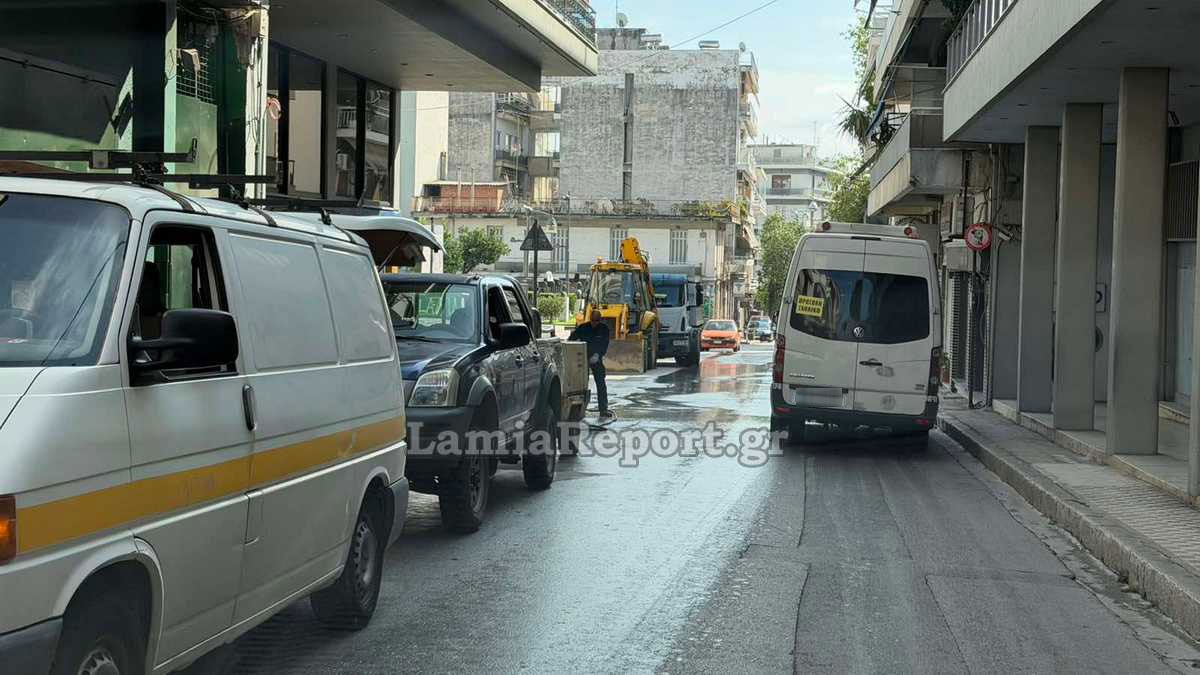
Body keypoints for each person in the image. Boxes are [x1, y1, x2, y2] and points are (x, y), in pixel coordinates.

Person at [570, 310, 611, 420]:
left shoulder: (604, 329)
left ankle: (603, 409)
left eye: (596, 321)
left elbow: (605, 343)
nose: (594, 323)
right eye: (592, 320)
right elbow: (572, 338)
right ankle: (579, 410)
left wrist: (598, 354)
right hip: (583, 359)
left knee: (601, 383)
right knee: (581, 384)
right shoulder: (583, 328)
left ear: (600, 320)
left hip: (596, 359)